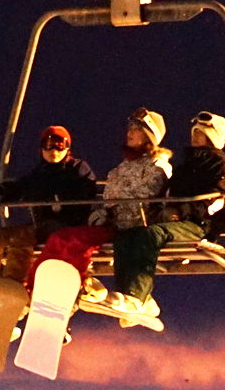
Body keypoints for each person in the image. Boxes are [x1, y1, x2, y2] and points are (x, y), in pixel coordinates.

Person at [22, 108, 172, 299]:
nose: (129, 133)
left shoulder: (157, 166)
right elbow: (110, 196)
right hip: (112, 224)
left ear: (148, 136)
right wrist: (100, 214)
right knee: (60, 239)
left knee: (75, 241)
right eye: (130, 128)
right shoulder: (123, 166)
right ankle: (34, 288)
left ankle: (80, 284)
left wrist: (112, 212)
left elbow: (147, 197)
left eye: (136, 129)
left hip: (133, 226)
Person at [0, 125, 95, 318]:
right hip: (41, 228)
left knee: (22, 240)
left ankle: (13, 293)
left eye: (60, 145)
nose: (54, 151)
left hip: (68, 228)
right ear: (41, 148)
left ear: (68, 148)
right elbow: (20, 186)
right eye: (49, 145)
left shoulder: (77, 168)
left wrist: (59, 194)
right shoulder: (39, 174)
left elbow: (88, 193)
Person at [108, 112, 225, 318]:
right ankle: (129, 295)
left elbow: (214, 201)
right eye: (195, 132)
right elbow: (171, 190)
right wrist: (162, 209)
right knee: (126, 235)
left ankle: (136, 296)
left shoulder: (219, 166)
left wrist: (180, 212)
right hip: (177, 220)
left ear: (213, 137)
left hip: (198, 224)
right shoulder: (188, 163)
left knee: (151, 235)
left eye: (201, 133)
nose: (195, 137)